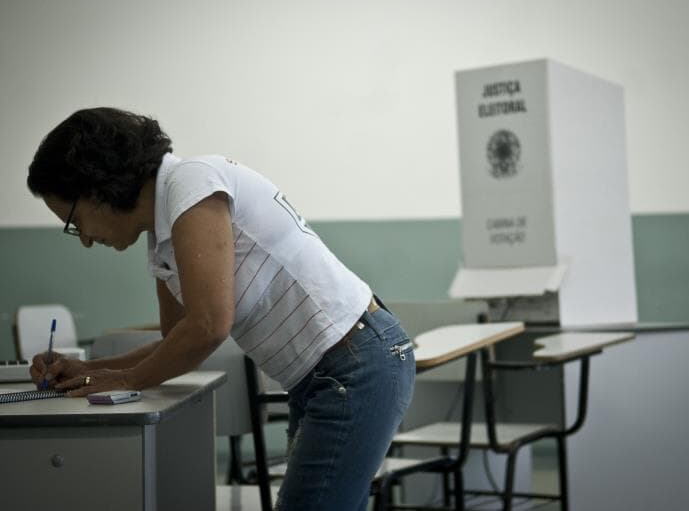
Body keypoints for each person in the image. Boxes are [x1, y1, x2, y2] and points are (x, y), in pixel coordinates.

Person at [27, 107, 416, 510]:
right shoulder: (162, 235)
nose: (85, 240)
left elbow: (209, 326)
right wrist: (92, 371)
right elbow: (176, 341)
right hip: (323, 374)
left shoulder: (190, 182)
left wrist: (125, 380)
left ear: (96, 188)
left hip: (355, 362)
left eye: (74, 223)